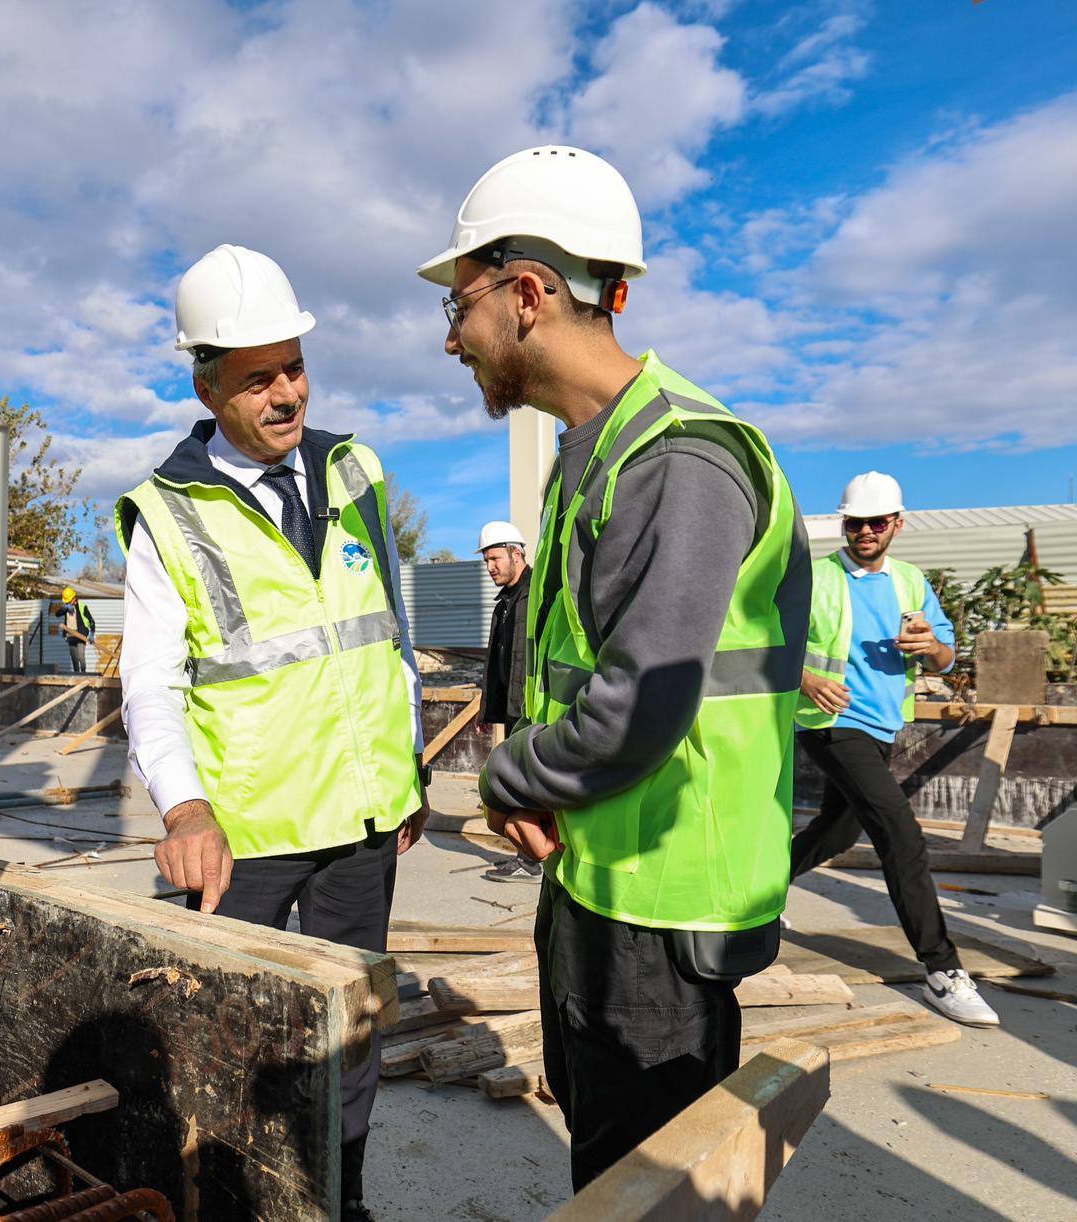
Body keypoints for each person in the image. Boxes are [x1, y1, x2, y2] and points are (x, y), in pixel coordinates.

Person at [418, 146, 810, 1190]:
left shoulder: (677, 457)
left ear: (530, 294)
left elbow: (637, 703)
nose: (452, 339)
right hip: (601, 884)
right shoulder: (594, 455)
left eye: (459, 308)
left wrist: (508, 778)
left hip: (667, 916)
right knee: (608, 1177)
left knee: (653, 1196)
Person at [116, 244, 429, 1221]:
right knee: (218, 1044)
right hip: (241, 835)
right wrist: (185, 807)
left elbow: (389, 631)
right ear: (206, 384)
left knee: (351, 1037)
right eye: (258, 377)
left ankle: (340, 1199)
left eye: (293, 365)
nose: (285, 391)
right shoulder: (168, 514)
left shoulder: (355, 469)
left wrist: (406, 765)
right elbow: (148, 682)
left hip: (362, 823)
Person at [793, 471, 998, 1026]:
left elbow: (946, 657)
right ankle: (942, 969)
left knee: (838, 830)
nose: (865, 531)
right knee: (900, 833)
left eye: (876, 522)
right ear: (845, 523)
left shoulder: (911, 582)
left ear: (897, 525)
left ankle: (754, 898)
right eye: (855, 522)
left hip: (883, 726)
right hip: (830, 721)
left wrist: (932, 645)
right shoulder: (816, 579)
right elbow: (769, 643)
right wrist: (807, 679)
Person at [475, 521, 538, 882]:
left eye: (496, 558)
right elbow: (499, 659)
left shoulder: (535, 595)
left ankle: (532, 861)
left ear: (517, 554)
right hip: (513, 709)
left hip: (530, 709)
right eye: (486, 561)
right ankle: (526, 856)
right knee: (517, 784)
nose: (490, 567)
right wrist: (489, 707)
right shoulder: (507, 601)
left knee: (527, 785)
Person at [59, 587, 95, 673]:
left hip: (81, 635)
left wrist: (92, 633)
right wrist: (64, 608)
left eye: (68, 601)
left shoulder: (82, 607)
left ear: (74, 598)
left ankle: (83, 674)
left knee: (80, 656)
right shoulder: (67, 608)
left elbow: (91, 621)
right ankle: (76, 675)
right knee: (74, 659)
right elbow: (57, 614)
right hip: (70, 635)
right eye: (66, 601)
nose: (67, 602)